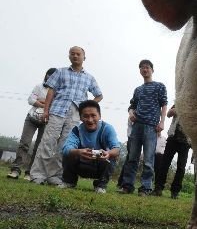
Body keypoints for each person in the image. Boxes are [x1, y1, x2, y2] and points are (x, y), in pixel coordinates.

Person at [30, 46, 103, 185]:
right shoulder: (60, 72)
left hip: (75, 115)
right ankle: (38, 175)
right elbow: (51, 91)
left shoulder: (89, 78)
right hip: (57, 110)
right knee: (47, 142)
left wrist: (86, 109)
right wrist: (46, 110)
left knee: (65, 146)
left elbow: (99, 95)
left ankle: (55, 176)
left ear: (84, 57)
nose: (75, 56)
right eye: (72, 54)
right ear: (69, 56)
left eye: (78, 54)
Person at [120, 60, 167, 196]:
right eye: (142, 68)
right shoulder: (138, 89)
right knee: (132, 157)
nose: (144, 70)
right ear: (140, 71)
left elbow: (164, 105)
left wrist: (162, 122)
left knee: (148, 159)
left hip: (151, 126)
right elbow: (132, 106)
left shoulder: (160, 86)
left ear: (152, 70)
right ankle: (127, 186)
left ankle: (146, 188)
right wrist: (131, 114)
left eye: (147, 67)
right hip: (137, 126)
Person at [59, 100, 120, 193]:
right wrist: (78, 152)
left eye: (93, 115)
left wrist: (108, 153)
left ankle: (101, 185)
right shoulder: (77, 130)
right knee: (68, 153)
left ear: (99, 115)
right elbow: (66, 148)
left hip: (100, 164)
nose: (90, 120)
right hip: (81, 163)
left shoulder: (107, 128)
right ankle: (69, 181)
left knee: (113, 157)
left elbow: (116, 149)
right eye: (86, 116)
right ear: (80, 117)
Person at [7, 68, 57, 180]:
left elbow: (55, 106)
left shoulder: (58, 91)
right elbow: (31, 100)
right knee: (24, 143)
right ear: (46, 76)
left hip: (46, 121)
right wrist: (46, 104)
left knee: (39, 147)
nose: (50, 78)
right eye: (49, 75)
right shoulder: (39, 87)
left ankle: (30, 172)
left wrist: (41, 101)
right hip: (32, 118)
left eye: (53, 76)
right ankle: (15, 169)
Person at [153, 104, 191, 199]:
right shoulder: (179, 102)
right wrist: (181, 108)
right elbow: (169, 114)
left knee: (181, 167)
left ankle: (175, 192)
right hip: (172, 138)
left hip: (186, 142)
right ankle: (158, 188)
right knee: (164, 164)